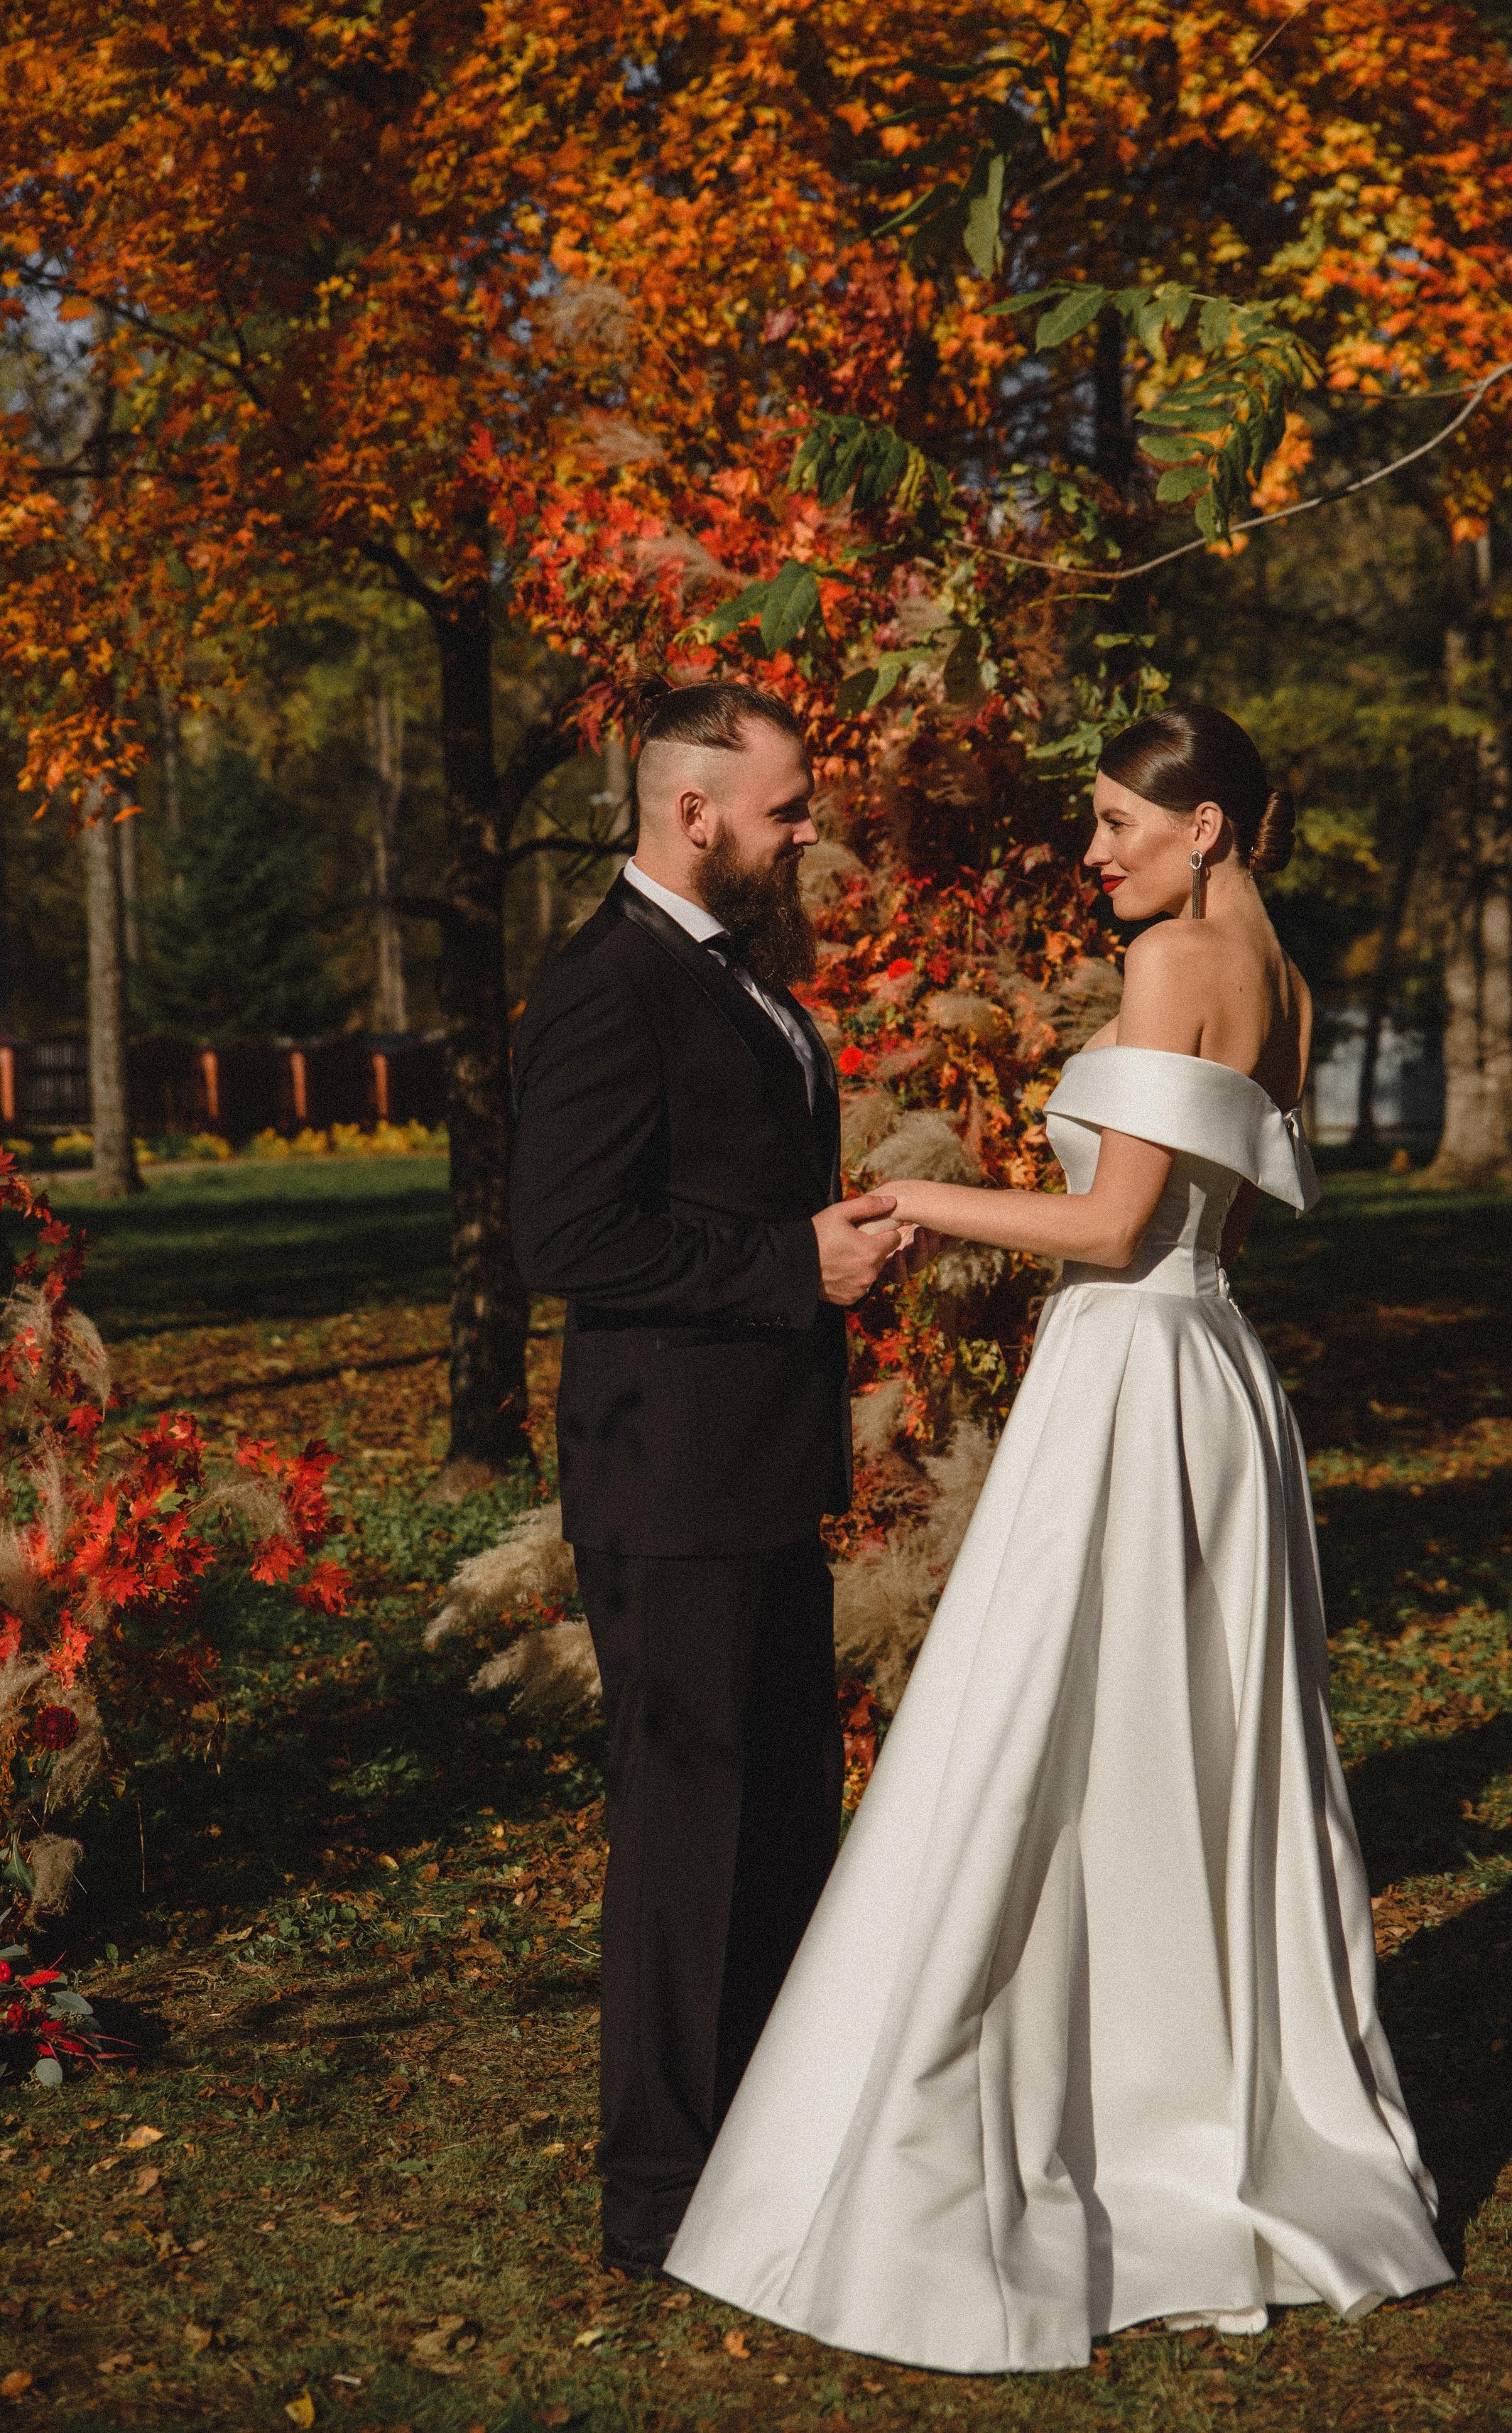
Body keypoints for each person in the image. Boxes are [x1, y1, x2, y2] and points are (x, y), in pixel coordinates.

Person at [666, 705, 1454, 2369]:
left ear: (1204, 827)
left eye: (1115, 824)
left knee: (1047, 1725)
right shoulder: (1283, 975)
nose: (1092, 854)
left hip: (1130, 1374)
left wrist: (911, 1200)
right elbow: (1218, 1224)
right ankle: (1191, 2081)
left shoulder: (1171, 965)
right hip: (1212, 1369)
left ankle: (1047, 2107)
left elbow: (1109, 1225)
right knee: (1181, 1740)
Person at [508, 678, 906, 2278]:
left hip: (756, 1462)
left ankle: (764, 2139)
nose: (806, 832)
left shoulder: (737, 974)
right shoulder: (607, 985)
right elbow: (568, 1238)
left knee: (781, 1812)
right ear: (694, 813)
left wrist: (823, 1245)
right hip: (666, 1475)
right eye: (786, 809)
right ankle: (659, 2194)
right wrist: (792, 1263)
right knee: (687, 1835)